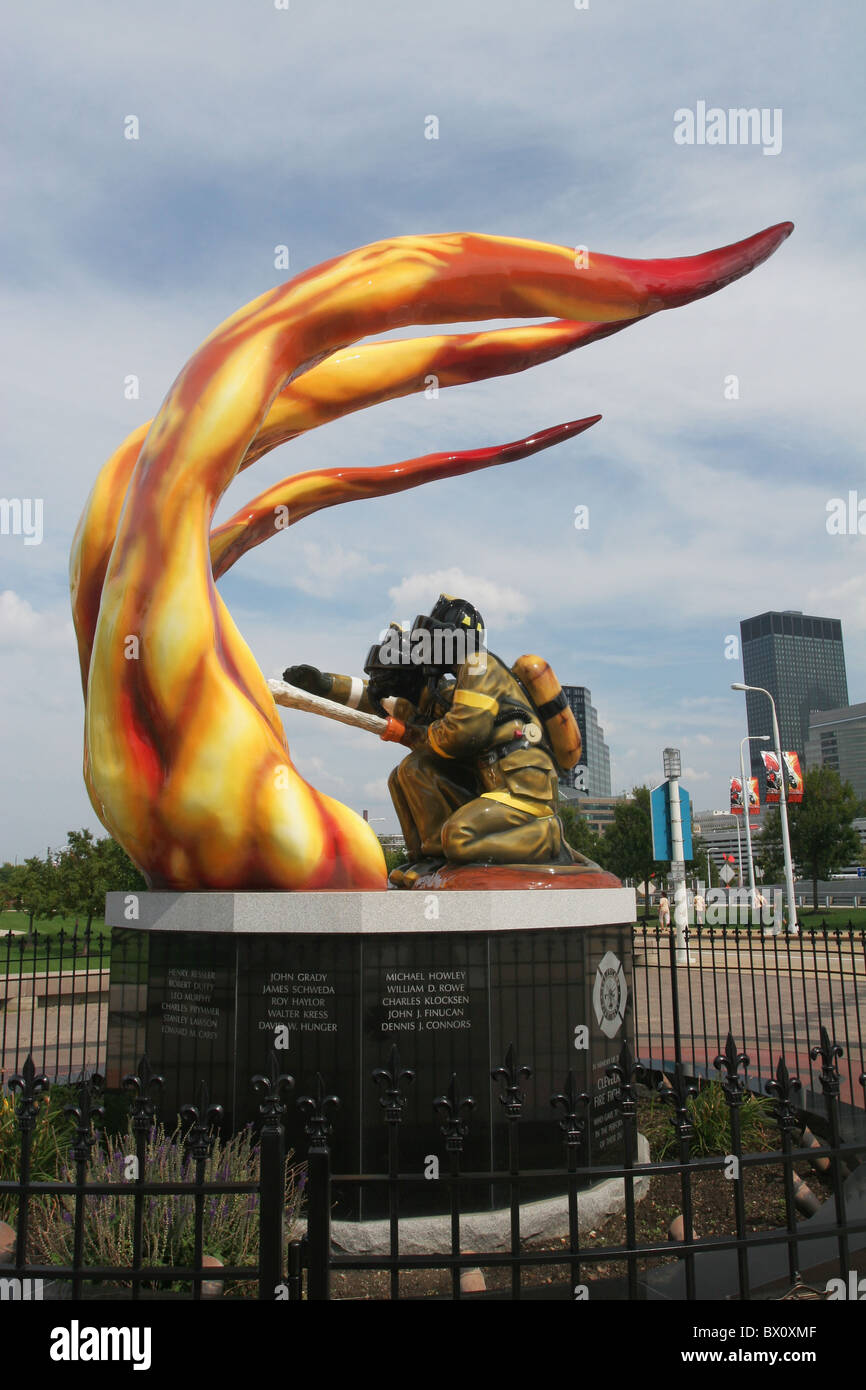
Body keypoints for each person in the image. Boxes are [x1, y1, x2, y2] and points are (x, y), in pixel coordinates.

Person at [284, 594, 587, 887]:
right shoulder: (446, 689)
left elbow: (463, 733)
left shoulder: (479, 667)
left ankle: (545, 835)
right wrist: (325, 685)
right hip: (494, 786)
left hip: (522, 790)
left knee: (459, 838)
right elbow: (377, 699)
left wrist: (409, 733)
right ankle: (428, 858)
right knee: (412, 770)